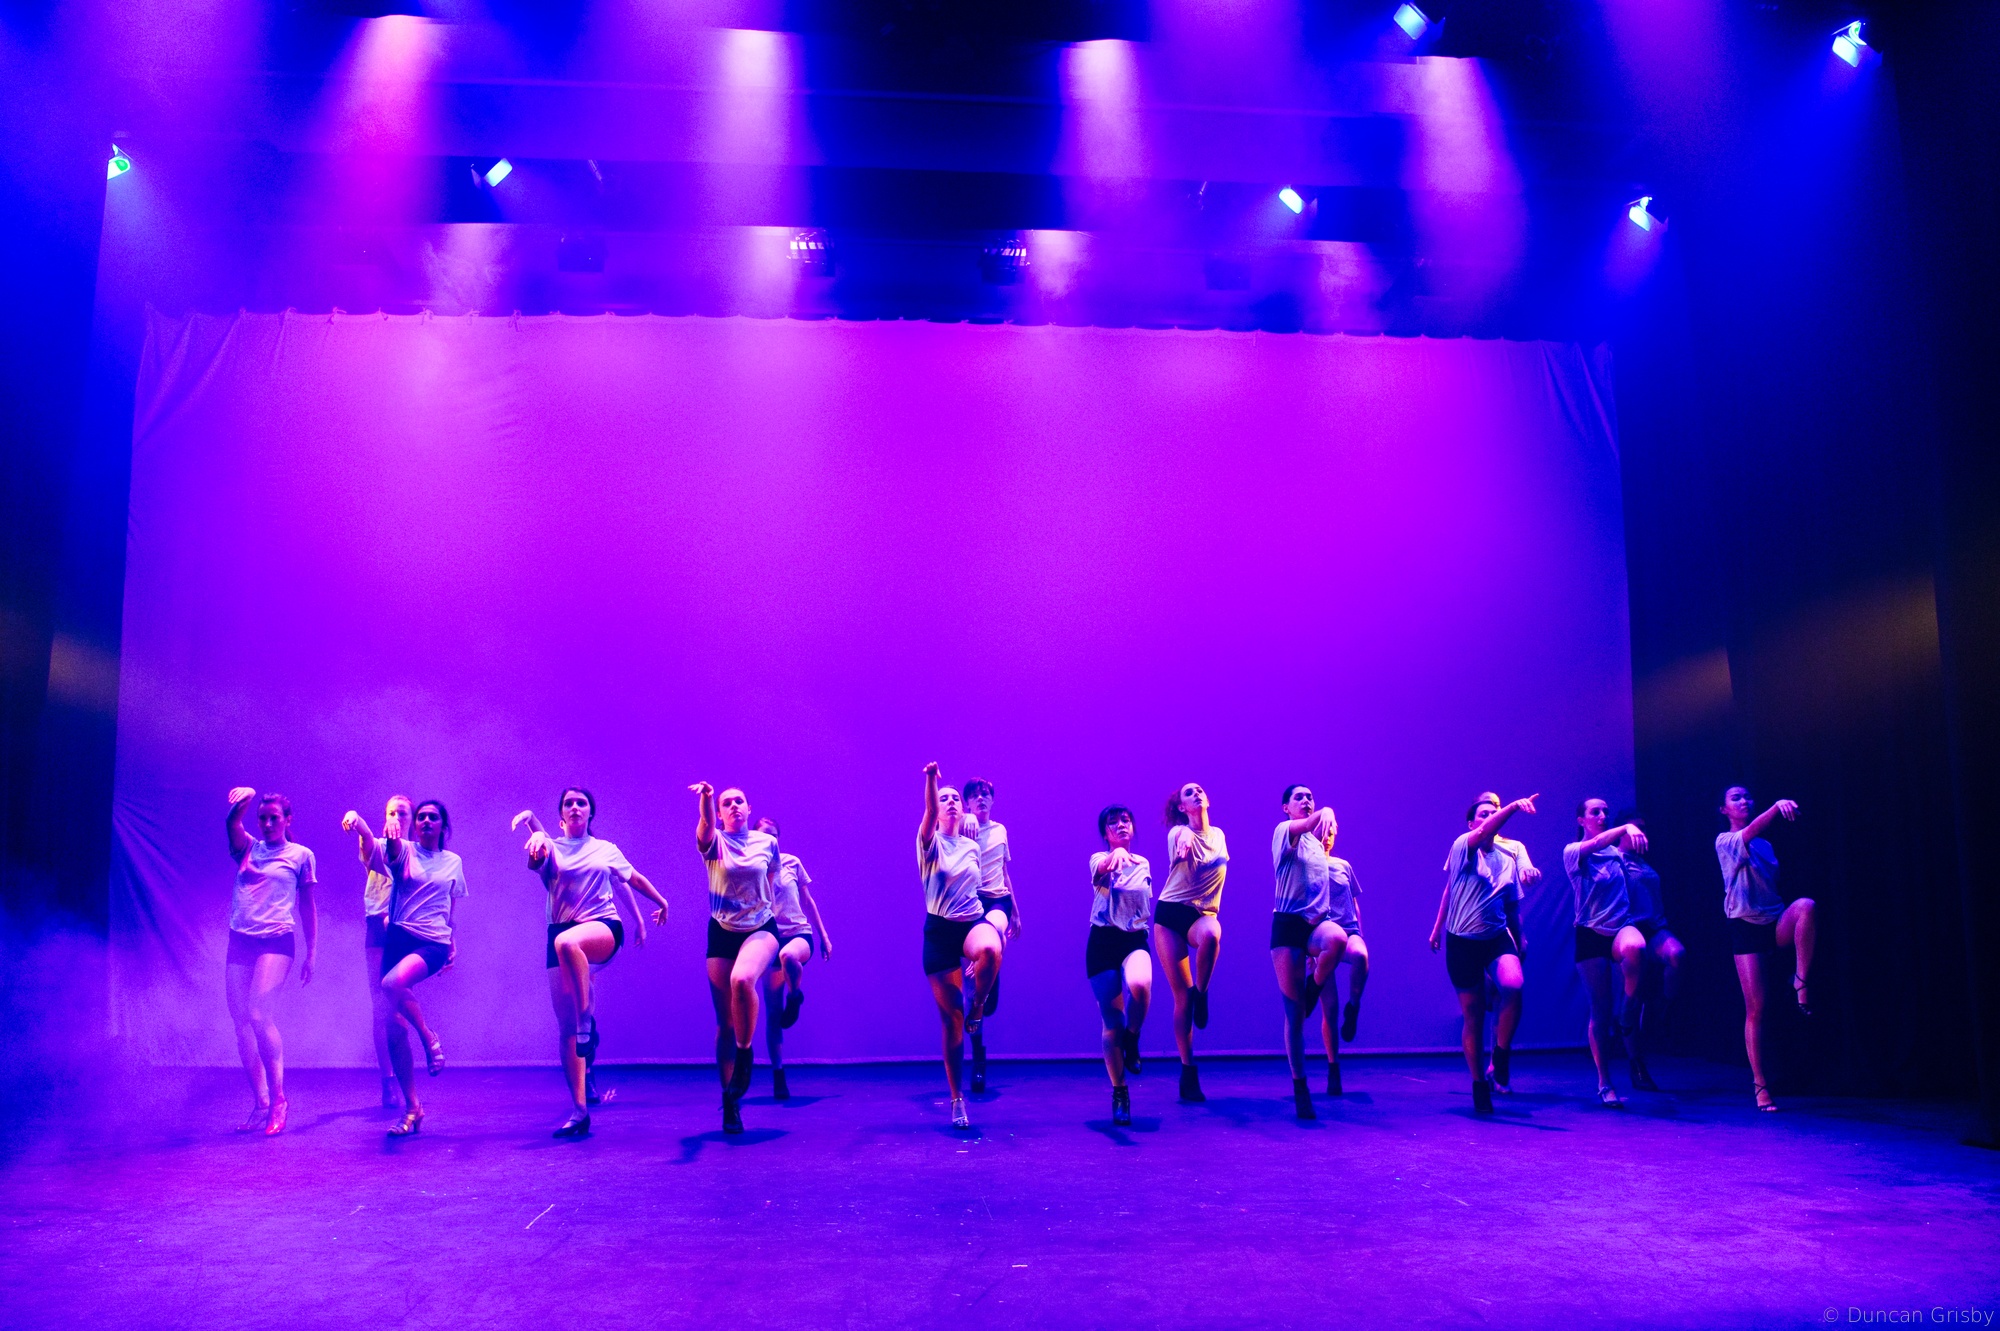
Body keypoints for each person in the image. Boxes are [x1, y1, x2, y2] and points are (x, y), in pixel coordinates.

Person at [514, 788, 669, 1139]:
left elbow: (631, 879)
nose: (574, 807)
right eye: (568, 803)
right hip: (560, 931)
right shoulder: (550, 846)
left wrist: (659, 903)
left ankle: (587, 1018)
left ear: (590, 813)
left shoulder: (605, 849)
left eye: (580, 803)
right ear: (561, 815)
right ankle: (579, 1110)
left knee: (569, 944)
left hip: (602, 928)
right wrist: (533, 828)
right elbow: (536, 859)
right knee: (566, 1029)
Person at [343, 799, 466, 1136]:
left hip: (432, 943)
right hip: (397, 940)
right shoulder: (403, 850)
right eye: (421, 817)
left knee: (391, 983)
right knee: (394, 1027)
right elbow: (374, 847)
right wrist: (358, 820)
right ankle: (413, 1108)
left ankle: (427, 1036)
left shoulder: (453, 862)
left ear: (443, 826)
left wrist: (452, 938)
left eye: (433, 817)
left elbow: (450, 905)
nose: (426, 821)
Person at [1429, 792, 1538, 1115]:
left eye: (1494, 812)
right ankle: (1479, 1082)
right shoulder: (1463, 845)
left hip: (1496, 937)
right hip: (1462, 942)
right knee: (1474, 1016)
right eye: (1483, 814)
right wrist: (1437, 928)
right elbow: (1449, 891)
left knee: (1513, 986)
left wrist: (1520, 937)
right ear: (1471, 823)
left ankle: (1500, 1055)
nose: (1490, 817)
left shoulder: (1507, 858)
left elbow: (1512, 905)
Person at [222, 787, 318, 1137]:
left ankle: (279, 1099)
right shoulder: (248, 847)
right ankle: (260, 1101)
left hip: (276, 940)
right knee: (241, 1022)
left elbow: (307, 906)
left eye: (273, 818)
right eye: (262, 818)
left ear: (287, 820)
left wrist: (312, 952)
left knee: (259, 1014)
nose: (266, 824)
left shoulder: (301, 855)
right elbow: (232, 822)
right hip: (241, 939)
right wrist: (246, 797)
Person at [1716, 786, 1817, 1111]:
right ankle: (1760, 1085)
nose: (1743, 801)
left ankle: (1800, 981)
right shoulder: (1726, 840)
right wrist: (1776, 807)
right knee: (1757, 1008)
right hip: (1745, 926)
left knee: (1806, 906)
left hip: (1773, 921)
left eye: (1746, 796)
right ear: (1724, 810)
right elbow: (1751, 830)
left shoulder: (1766, 845)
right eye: (1735, 798)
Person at [692, 783, 782, 1134]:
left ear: (748, 807)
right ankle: (730, 1102)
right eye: (726, 803)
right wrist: (706, 798)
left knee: (742, 980)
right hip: (722, 932)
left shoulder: (767, 843)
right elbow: (704, 824)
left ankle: (746, 1054)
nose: (733, 806)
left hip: (760, 927)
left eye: (739, 801)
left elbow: (770, 882)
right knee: (725, 1023)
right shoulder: (714, 841)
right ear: (720, 812)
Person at [918, 763, 1002, 1130]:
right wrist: (931, 780)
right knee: (951, 1021)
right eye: (945, 798)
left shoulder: (972, 845)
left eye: (956, 798)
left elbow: (989, 880)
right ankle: (956, 1098)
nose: (951, 801)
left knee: (991, 951)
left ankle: (978, 1005)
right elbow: (929, 810)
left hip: (970, 922)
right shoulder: (928, 842)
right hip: (939, 932)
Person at [1563, 799, 1649, 1106]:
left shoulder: (1617, 854)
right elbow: (1598, 843)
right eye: (1595, 812)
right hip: (1590, 933)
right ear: (1581, 820)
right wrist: (1625, 827)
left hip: (1621, 926)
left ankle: (1628, 1010)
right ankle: (1604, 1082)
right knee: (1600, 1011)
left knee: (1637, 946)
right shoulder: (1574, 851)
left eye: (1605, 812)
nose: (1602, 816)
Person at [1269, 785, 1347, 1119]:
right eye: (1298, 798)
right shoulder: (1284, 831)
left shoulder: (1317, 845)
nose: (1306, 801)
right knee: (1295, 1015)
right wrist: (1325, 810)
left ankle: (1314, 985)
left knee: (1338, 940)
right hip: (1287, 925)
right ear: (1286, 807)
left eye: (1310, 797)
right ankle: (1300, 1085)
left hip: (1316, 924)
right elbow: (1306, 824)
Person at [349, 795, 430, 1111]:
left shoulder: (419, 853)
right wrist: (358, 822)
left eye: (402, 812)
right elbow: (367, 843)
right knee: (379, 1007)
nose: (396, 817)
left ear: (412, 818)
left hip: (405, 927)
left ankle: (424, 1039)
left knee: (396, 999)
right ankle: (388, 1079)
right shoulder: (379, 847)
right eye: (391, 812)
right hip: (377, 926)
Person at [1153, 781, 1228, 1104]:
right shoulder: (1178, 833)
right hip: (1170, 914)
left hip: (1201, 915)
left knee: (1212, 934)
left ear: (1207, 799)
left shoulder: (1219, 835)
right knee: (1181, 998)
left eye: (1199, 790)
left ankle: (1203, 991)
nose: (1196, 793)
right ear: (1181, 808)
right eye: (1188, 793)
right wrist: (1184, 834)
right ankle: (1188, 1071)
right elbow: (1181, 836)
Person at [754, 815, 832, 1103]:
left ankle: (795, 994)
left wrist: (824, 936)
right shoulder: (752, 868)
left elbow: (808, 901)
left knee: (788, 955)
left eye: (773, 835)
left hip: (798, 934)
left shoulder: (792, 863)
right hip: (768, 938)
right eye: (764, 835)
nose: (770, 840)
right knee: (773, 1015)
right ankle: (778, 1075)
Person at [1088, 804, 1154, 1127]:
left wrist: (1124, 857)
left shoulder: (1143, 863)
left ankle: (1133, 1036)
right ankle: (1120, 1092)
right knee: (1112, 1022)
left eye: (1125, 820)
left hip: (1133, 939)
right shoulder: (1098, 859)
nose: (1120, 825)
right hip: (1102, 942)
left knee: (1140, 985)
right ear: (1106, 833)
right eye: (1113, 823)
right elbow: (1101, 868)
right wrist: (1113, 856)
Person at [1613, 809, 1684, 1090]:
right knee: (1632, 996)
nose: (1641, 832)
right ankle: (1636, 1063)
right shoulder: (1614, 859)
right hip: (1627, 929)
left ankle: (1662, 1010)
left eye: (1643, 827)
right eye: (1635, 827)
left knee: (1677, 955)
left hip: (1654, 927)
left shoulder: (1644, 862)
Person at [963, 779, 1019, 1094]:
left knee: (996, 928)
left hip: (997, 901)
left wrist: (1017, 912)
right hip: (969, 904)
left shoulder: (1000, 831)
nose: (981, 799)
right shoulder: (961, 827)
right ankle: (978, 1057)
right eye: (974, 796)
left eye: (985, 794)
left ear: (992, 800)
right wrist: (962, 821)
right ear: (967, 803)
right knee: (971, 996)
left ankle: (989, 964)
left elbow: (1004, 872)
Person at [1317, 842, 1368, 1095]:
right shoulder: (1307, 866)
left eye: (1332, 832)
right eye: (1324, 831)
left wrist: (1359, 931)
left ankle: (1354, 1006)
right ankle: (1333, 1067)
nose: (1328, 836)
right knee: (1330, 1008)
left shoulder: (1343, 865)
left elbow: (1353, 901)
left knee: (1361, 956)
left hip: (1348, 932)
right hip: (1321, 938)